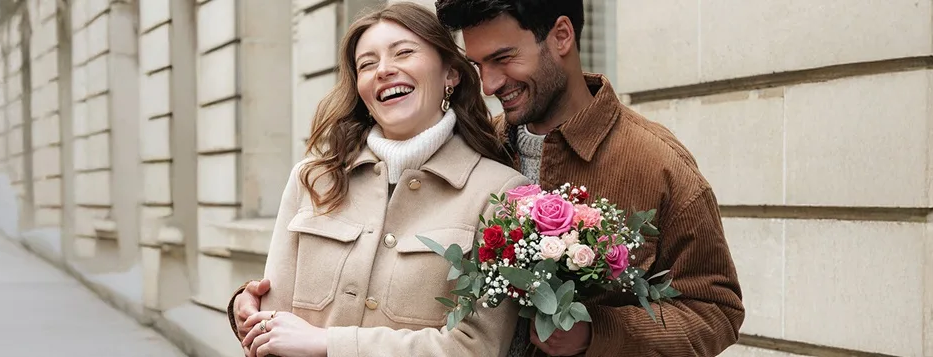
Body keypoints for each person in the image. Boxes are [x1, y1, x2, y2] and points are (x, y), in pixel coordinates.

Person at [431, 1, 745, 356]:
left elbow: (717, 312)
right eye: (479, 65)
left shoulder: (657, 162)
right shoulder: (479, 149)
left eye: (503, 58)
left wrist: (598, 334)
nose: (489, 85)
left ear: (561, 36)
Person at [227, 3, 529, 356]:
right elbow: (271, 328)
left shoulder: (501, 194)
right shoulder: (311, 179)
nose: (384, 70)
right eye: (367, 64)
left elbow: (476, 348)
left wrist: (330, 344)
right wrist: (249, 313)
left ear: (451, 73)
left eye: (404, 53)